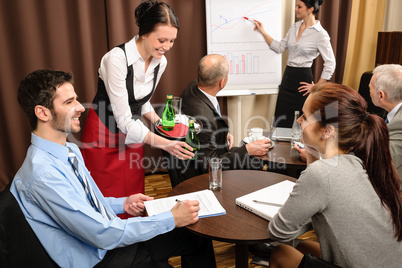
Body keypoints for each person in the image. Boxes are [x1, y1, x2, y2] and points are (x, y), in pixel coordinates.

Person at [11, 69, 216, 268]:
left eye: (76, 99)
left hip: (108, 242)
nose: (80, 107)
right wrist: (171, 218)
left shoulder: (69, 149)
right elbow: (102, 234)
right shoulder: (43, 175)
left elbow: (85, 203)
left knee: (197, 236)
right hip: (99, 257)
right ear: (42, 112)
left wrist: (122, 204)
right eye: (69, 102)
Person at [267, 83, 402, 267]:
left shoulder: (323, 174)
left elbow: (278, 232)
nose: (299, 122)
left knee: (281, 252)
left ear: (327, 131)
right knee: (304, 246)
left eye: (305, 117)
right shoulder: (366, 160)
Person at [80, 0, 193, 211]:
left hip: (133, 132)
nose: (167, 47)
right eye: (162, 40)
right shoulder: (116, 59)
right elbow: (123, 117)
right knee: (105, 194)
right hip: (104, 132)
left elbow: (140, 101)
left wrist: (161, 124)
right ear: (144, 33)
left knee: (132, 191)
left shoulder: (162, 61)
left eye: (172, 41)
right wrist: (164, 143)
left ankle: (134, 238)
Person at [174, 54, 271, 185]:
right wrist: (246, 150)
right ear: (222, 82)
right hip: (201, 176)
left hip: (199, 154)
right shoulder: (205, 120)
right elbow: (208, 165)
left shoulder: (192, 88)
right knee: (256, 164)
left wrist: (222, 133)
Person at [252, 0, 335, 128]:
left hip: (303, 80)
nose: (296, 9)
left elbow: (330, 63)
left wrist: (317, 86)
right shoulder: (294, 27)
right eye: (296, 6)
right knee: (281, 121)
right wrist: (262, 31)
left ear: (310, 9)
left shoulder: (320, 34)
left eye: (299, 7)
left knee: (301, 124)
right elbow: (279, 47)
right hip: (287, 78)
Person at [369, 64, 402, 189]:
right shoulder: (390, 112)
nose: (369, 92)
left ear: (381, 96)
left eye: (370, 88)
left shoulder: (400, 122)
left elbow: (382, 161)